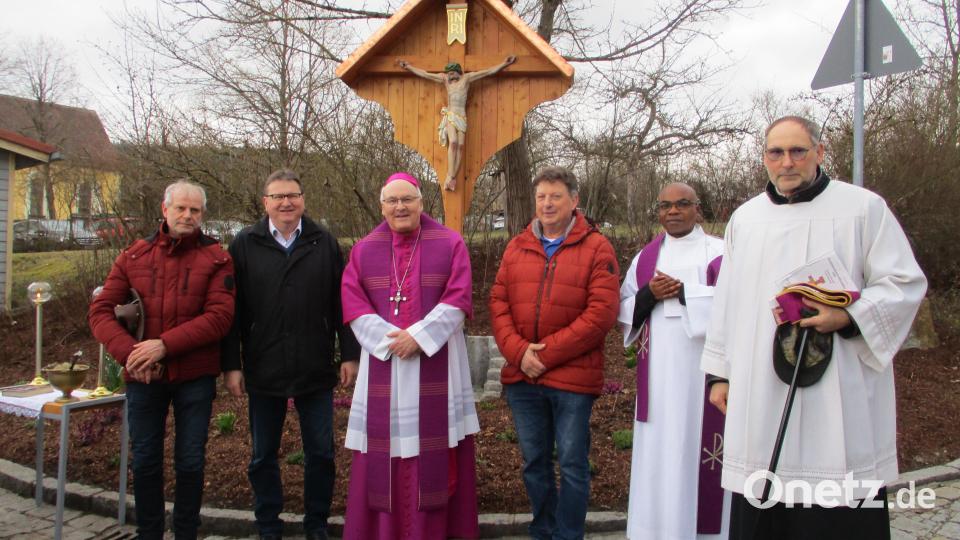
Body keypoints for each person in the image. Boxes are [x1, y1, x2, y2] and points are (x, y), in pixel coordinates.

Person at [702, 116, 927, 539]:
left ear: (820, 153)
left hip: (838, 382)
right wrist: (720, 374)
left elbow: (904, 283)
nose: (787, 162)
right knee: (762, 486)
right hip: (759, 387)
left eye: (798, 151)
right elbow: (727, 301)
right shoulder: (746, 219)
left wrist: (848, 317)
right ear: (765, 159)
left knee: (834, 491)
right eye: (776, 152)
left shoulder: (863, 209)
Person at [89, 180, 235, 540]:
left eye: (195, 210)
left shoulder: (217, 258)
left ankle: (186, 532)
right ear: (165, 209)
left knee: (190, 461)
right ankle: (149, 532)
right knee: (145, 459)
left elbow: (219, 317)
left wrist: (163, 346)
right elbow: (101, 312)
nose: (187, 215)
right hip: (143, 377)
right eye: (181, 208)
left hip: (195, 377)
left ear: (202, 215)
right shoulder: (133, 256)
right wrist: (132, 354)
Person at [221, 169, 360, 540]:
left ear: (303, 200)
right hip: (263, 367)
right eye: (278, 196)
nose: (286, 202)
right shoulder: (244, 244)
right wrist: (232, 365)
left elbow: (341, 303)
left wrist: (349, 354)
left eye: (293, 195)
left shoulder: (324, 242)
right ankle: (268, 524)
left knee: (322, 455)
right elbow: (230, 312)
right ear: (265, 202)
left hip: (314, 366)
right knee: (263, 456)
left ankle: (317, 523)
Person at [340, 172, 480, 539]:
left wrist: (418, 336)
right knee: (381, 454)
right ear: (381, 206)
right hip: (384, 364)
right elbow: (352, 302)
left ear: (421, 202)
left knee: (432, 452)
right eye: (392, 201)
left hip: (436, 364)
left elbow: (459, 297)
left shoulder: (450, 243)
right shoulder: (364, 249)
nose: (400, 207)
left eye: (407, 199)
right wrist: (391, 342)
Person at [489, 166, 620, 540]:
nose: (547, 204)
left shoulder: (597, 247)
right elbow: (498, 302)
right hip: (523, 379)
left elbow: (601, 315)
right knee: (534, 463)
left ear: (574, 200)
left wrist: (543, 356)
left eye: (556, 196)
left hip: (572, 380)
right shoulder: (517, 246)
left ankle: (567, 534)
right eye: (542, 197)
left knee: (573, 464)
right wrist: (518, 353)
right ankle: (542, 529)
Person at [618, 182, 729, 539]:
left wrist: (686, 293)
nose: (673, 211)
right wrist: (649, 295)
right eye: (665, 205)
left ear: (698, 208)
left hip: (705, 379)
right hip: (659, 380)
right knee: (659, 456)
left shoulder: (721, 252)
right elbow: (623, 310)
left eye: (682, 204)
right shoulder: (645, 258)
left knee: (699, 452)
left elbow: (734, 306)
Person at [397, 55, 516, 191]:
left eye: (452, 73)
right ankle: (450, 174)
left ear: (458, 72)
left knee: (460, 146)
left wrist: (504, 64)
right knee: (452, 142)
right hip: (451, 115)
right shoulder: (445, 81)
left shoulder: (466, 79)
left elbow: (488, 72)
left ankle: (452, 176)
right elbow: (425, 74)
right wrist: (409, 67)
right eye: (448, 74)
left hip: (462, 116)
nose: (450, 76)